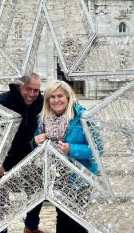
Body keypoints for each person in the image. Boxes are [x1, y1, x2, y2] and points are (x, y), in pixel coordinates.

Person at [33, 80, 99, 233]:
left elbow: (97, 149)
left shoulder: (83, 118)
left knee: (77, 220)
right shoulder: (42, 119)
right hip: (56, 176)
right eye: (52, 97)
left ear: (68, 98)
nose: (56, 100)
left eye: (60, 96)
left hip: (80, 178)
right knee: (61, 217)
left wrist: (72, 149)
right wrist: (35, 143)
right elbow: (35, 142)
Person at [0, 73, 48, 233]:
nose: (32, 94)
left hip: (26, 157)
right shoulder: (0, 103)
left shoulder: (41, 103)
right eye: (28, 89)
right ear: (18, 86)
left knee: (38, 189)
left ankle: (31, 226)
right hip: (0, 160)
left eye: (36, 90)